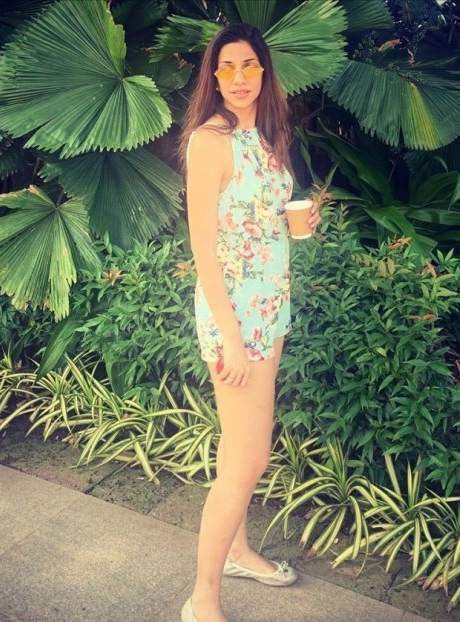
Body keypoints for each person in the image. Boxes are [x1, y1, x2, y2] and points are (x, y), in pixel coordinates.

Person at [178, 22, 321, 622]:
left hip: (270, 309)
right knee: (249, 457)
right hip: (235, 320)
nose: (239, 78)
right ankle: (202, 600)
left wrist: (299, 223)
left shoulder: (265, 134)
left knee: (236, 446)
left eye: (249, 66)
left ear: (264, 71)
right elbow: (203, 246)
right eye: (227, 68)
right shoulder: (210, 141)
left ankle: (237, 551)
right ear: (214, 78)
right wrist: (231, 338)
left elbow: (258, 219)